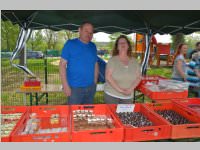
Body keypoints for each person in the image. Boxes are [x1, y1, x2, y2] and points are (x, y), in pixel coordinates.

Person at [59, 22, 99, 105]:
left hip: (90, 87)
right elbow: (62, 65)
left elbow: (95, 64)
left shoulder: (93, 46)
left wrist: (94, 82)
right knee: (73, 114)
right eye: (86, 31)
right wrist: (65, 85)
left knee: (88, 113)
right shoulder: (70, 44)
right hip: (74, 88)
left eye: (91, 32)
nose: (89, 34)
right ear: (79, 30)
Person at [104, 35, 141, 104]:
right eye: (120, 43)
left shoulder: (135, 61)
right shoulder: (112, 60)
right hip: (112, 95)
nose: (122, 44)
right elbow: (108, 77)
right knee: (112, 114)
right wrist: (121, 90)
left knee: (126, 114)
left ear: (128, 46)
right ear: (117, 47)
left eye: (124, 42)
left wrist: (130, 89)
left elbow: (138, 77)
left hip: (128, 96)